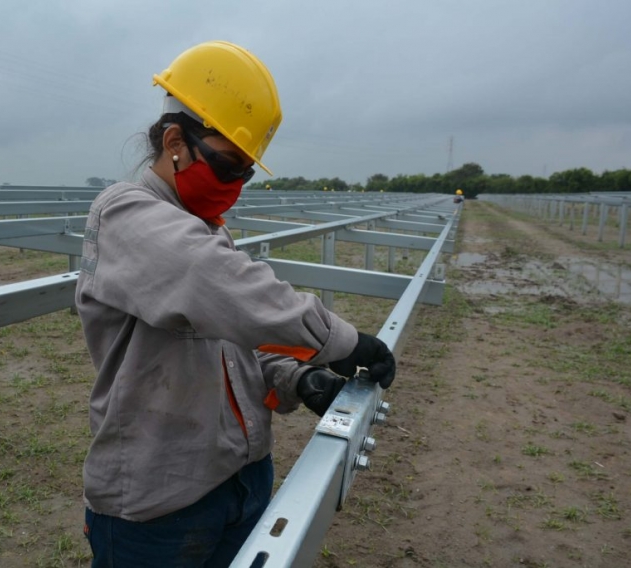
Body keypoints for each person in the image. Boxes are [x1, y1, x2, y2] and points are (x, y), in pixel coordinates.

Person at [75, 40, 396, 568]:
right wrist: (339, 341)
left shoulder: (200, 230)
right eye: (227, 165)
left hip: (242, 479)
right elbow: (220, 286)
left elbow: (228, 335)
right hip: (160, 503)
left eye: (245, 173)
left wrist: (296, 377)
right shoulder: (124, 213)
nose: (235, 186)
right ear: (175, 141)